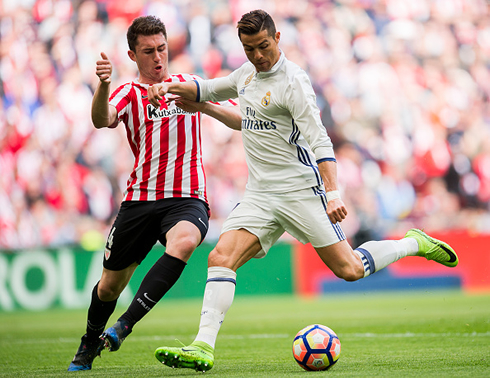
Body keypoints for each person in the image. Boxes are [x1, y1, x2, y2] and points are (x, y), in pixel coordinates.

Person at [147, 10, 459, 372]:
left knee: (351, 269)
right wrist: (169, 87)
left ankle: (413, 242)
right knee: (220, 258)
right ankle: (202, 346)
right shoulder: (246, 75)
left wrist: (333, 193)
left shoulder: (294, 82)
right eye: (249, 49)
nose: (258, 55)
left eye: (264, 46)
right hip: (261, 194)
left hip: (300, 191)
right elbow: (209, 90)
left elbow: (319, 139)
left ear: (277, 38)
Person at [67, 15, 241, 371]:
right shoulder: (129, 92)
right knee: (107, 289)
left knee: (186, 241)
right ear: (133, 55)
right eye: (148, 51)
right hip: (140, 200)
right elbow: (103, 119)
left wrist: (202, 104)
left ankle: (123, 326)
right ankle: (89, 342)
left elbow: (237, 119)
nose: (158, 57)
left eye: (162, 49)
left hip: (187, 197)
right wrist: (102, 85)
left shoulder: (187, 83)